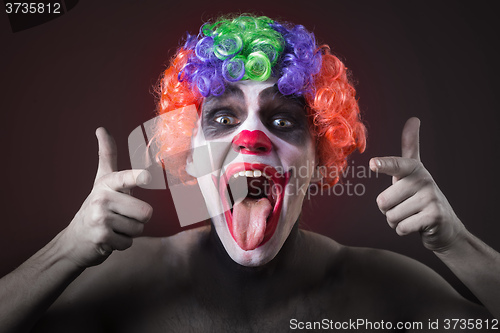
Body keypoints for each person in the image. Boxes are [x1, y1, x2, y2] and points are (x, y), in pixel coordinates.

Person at [0, 14, 499, 332]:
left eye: (283, 120)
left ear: (320, 154)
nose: (251, 137)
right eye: (222, 118)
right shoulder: (124, 280)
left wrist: (455, 243)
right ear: (188, 151)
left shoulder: (381, 290)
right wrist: (66, 249)